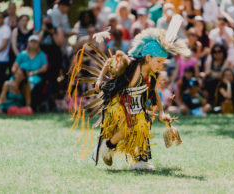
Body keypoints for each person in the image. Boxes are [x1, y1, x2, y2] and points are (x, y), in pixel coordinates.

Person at [68, 27, 188, 170]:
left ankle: (141, 160)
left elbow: (154, 92)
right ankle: (107, 146)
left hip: (137, 104)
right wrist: (100, 80)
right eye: (159, 61)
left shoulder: (154, 73)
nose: (160, 66)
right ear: (148, 58)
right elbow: (109, 62)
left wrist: (161, 112)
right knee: (128, 128)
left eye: (163, 62)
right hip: (118, 102)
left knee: (142, 126)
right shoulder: (130, 64)